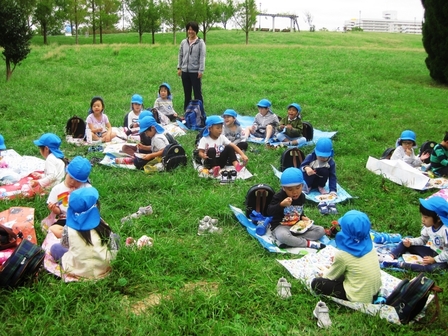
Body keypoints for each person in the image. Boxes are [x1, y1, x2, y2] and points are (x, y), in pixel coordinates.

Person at [311, 210, 381, 303]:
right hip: (373, 292)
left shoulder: (342, 256)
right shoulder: (370, 247)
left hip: (357, 298)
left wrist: (330, 267)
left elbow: (330, 276)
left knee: (317, 283)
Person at [50, 187, 116, 280]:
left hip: (78, 270)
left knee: (55, 248)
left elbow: (65, 245)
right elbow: (114, 244)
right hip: (103, 268)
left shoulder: (69, 228)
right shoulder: (102, 224)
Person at [381, 197, 448, 272]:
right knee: (405, 243)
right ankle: (390, 256)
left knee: (432, 268)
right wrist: (411, 242)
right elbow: (423, 240)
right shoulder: (429, 226)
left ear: (438, 218)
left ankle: (400, 264)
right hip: (432, 251)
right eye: (422, 216)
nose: (422, 219)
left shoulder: (445, 230)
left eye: (426, 217)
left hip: (444, 258)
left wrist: (435, 260)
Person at [266, 167, 325, 249]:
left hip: (297, 226)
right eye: (290, 189)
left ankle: (292, 241)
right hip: (281, 226)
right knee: (283, 236)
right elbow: (269, 211)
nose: (295, 192)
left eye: (298, 188)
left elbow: (299, 210)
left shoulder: (302, 196)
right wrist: (281, 205)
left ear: (302, 185)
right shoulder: (279, 196)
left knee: (320, 230)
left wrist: (303, 217)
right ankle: (307, 243)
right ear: (284, 188)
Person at [45, 156, 92, 238]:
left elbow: (90, 207)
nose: (73, 182)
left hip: (82, 219)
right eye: (71, 177)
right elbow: (59, 212)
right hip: (65, 219)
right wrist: (54, 209)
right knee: (52, 229)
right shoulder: (57, 189)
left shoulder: (87, 188)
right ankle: (73, 235)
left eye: (78, 181)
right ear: (66, 172)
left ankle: (73, 235)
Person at [177, 21, 206, 112]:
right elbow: (180, 55)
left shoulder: (200, 43)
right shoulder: (183, 42)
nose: (190, 31)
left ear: (196, 31)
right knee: (187, 94)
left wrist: (201, 70)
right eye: (189, 29)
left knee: (197, 93)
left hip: (195, 72)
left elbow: (202, 57)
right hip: (185, 71)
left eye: (192, 29)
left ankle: (200, 113)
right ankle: (187, 112)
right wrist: (179, 67)